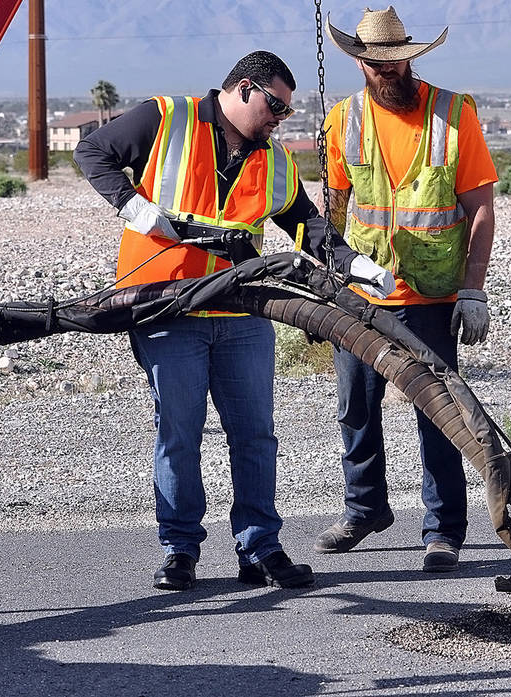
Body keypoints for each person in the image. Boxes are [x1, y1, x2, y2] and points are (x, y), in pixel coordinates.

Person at [74, 51, 394, 591]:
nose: (279, 117)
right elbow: (92, 151)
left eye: (287, 111)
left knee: (255, 436)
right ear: (244, 90)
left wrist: (355, 265)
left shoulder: (274, 162)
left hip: (242, 315)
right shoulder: (166, 119)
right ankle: (180, 552)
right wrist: (135, 208)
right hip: (165, 308)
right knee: (179, 433)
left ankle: (260, 550)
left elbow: (308, 229)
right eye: (275, 105)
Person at [313, 7, 498, 573]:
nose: (386, 71)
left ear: (411, 58)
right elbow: (335, 209)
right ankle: (365, 508)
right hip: (364, 294)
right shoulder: (342, 120)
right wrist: (330, 281)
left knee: (438, 412)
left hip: (434, 294)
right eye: (375, 63)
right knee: (355, 408)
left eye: (395, 61)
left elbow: (482, 208)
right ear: (360, 63)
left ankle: (443, 530)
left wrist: (474, 290)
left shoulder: (453, 113)